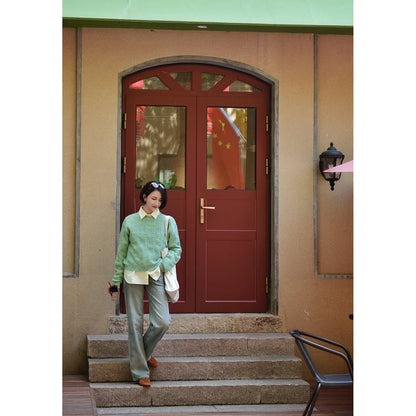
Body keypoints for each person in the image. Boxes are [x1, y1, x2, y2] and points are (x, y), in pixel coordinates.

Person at [108, 181, 182, 387]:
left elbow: (176, 250)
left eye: (160, 200)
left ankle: (145, 352)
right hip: (132, 276)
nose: (156, 204)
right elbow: (121, 253)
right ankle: (140, 372)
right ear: (144, 197)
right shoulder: (130, 222)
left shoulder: (167, 222)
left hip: (155, 275)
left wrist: (161, 267)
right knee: (134, 323)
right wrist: (116, 281)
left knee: (162, 322)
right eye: (153, 199)